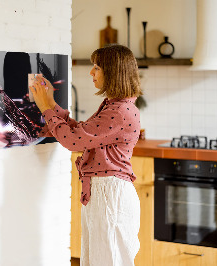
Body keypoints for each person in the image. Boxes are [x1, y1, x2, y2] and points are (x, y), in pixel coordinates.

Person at [30, 44, 142, 266]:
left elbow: (73, 141)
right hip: (105, 193)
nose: (91, 72)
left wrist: (45, 108)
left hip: (110, 195)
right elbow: (81, 133)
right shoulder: (115, 106)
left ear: (113, 72)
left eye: (97, 67)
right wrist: (51, 103)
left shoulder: (119, 111)